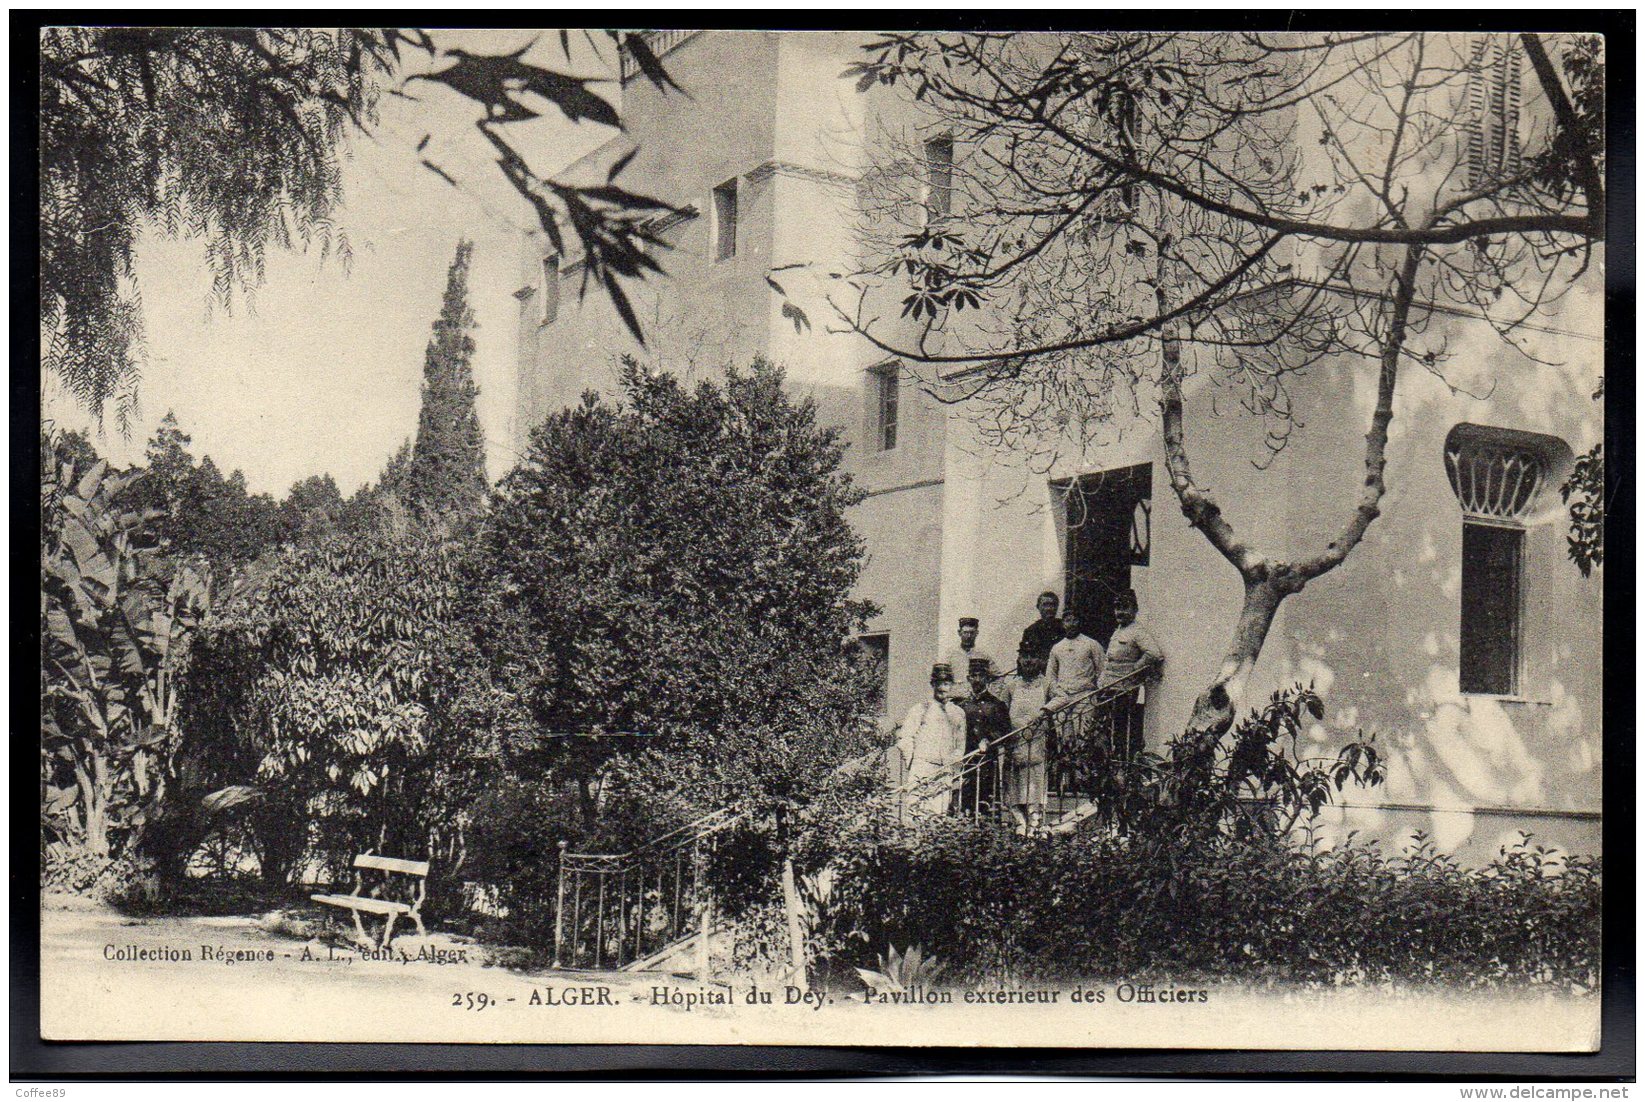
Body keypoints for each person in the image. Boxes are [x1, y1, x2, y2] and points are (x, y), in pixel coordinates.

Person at [1097, 589, 1165, 764]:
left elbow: (1154, 653)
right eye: (1117, 608)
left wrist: (1136, 668)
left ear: (1135, 610)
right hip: (1108, 687)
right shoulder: (1118, 631)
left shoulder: (1138, 632)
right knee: (1105, 730)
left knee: (1122, 731)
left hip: (1124, 689)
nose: (1120, 612)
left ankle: (1123, 766)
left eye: (1125, 608)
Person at [993, 648, 1051, 833]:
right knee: (1014, 784)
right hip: (1015, 742)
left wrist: (1044, 714)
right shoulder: (1012, 685)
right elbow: (1001, 711)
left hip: (1037, 741)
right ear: (1019, 659)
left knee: (1035, 783)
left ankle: (1034, 823)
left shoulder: (1046, 684)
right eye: (1024, 657)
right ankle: (1019, 823)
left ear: (1040, 660)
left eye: (1032, 656)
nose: (1028, 661)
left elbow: (1061, 699)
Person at [896, 663, 967, 814]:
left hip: (944, 770)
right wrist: (913, 762)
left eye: (946, 683)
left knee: (939, 812)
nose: (943, 688)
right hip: (922, 767)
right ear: (932, 684)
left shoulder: (958, 713)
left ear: (952, 685)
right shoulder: (921, 709)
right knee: (916, 811)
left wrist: (953, 764)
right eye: (939, 683)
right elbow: (905, 738)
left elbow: (960, 744)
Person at [957, 656, 1010, 817]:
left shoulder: (997, 705)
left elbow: (1005, 732)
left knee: (988, 803)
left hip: (988, 762)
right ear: (968, 678)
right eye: (974, 675)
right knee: (966, 802)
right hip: (967, 761)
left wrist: (990, 739)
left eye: (981, 675)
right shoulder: (962, 706)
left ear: (987, 678)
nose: (977, 679)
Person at [945, 617, 996, 701]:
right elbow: (942, 680)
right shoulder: (950, 655)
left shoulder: (983, 655)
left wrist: (992, 694)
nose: (968, 636)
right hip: (955, 701)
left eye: (972, 633)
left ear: (977, 633)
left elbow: (998, 677)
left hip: (977, 702)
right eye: (965, 632)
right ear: (959, 633)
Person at [1018, 591, 1064, 665]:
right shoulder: (1030, 631)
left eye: (1052, 605)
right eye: (1045, 605)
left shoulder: (1064, 627)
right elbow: (1024, 656)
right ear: (1038, 607)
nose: (1049, 608)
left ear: (1057, 606)